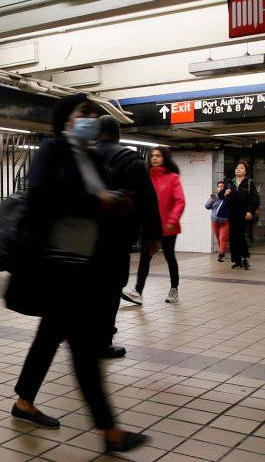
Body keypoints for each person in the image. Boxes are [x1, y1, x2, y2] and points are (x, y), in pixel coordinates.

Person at [10, 94, 148, 453]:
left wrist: (114, 203)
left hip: (80, 265)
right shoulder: (53, 150)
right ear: (66, 119)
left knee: (51, 335)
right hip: (57, 264)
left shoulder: (85, 156)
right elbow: (41, 196)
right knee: (85, 349)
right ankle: (110, 432)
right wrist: (96, 202)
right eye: (84, 112)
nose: (91, 118)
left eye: (93, 113)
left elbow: (88, 205)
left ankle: (25, 401)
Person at [91, 116, 160, 356]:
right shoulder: (131, 159)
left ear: (96, 133)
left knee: (86, 286)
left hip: (83, 237)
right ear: (118, 134)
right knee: (111, 288)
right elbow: (148, 201)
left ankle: (80, 335)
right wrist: (152, 235)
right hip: (117, 237)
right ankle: (102, 340)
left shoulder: (83, 157)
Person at [127, 146, 185, 304]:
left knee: (169, 257)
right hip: (149, 226)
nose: (154, 158)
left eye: (158, 156)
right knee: (144, 258)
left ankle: (174, 288)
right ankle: (138, 292)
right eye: (152, 156)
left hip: (168, 226)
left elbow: (180, 201)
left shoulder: (172, 178)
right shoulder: (146, 177)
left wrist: (173, 219)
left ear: (164, 158)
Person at [226, 162, 260, 269]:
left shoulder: (249, 183)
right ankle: (235, 260)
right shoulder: (230, 182)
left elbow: (255, 199)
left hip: (244, 214)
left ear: (245, 171)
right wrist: (224, 193)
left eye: (241, 168)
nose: (238, 169)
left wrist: (250, 211)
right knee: (233, 236)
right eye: (237, 168)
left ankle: (244, 258)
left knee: (241, 235)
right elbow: (221, 195)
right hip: (232, 214)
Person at [206, 181, 230, 261]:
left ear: (225, 188)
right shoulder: (214, 196)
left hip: (225, 222)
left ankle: (221, 254)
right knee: (219, 238)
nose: (220, 188)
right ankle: (222, 252)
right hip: (215, 221)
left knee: (223, 237)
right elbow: (207, 206)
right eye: (219, 186)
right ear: (217, 188)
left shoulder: (228, 196)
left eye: (222, 186)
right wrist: (211, 200)